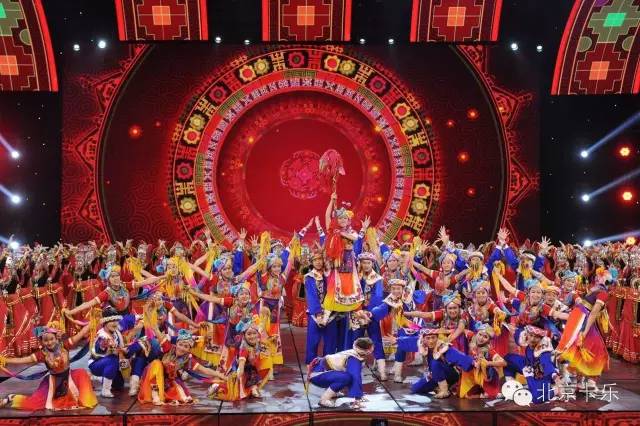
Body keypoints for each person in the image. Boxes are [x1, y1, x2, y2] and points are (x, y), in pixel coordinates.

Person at [0, 322, 96, 410]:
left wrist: (94, 320)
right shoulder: (42, 354)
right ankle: (11, 397)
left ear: (56, 338)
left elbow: (82, 333)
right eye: (46, 340)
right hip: (54, 383)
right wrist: (5, 360)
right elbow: (21, 360)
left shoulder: (65, 345)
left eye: (51, 339)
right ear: (42, 342)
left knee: (82, 373)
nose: (49, 343)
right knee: (34, 404)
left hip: (70, 377)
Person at [138, 315, 226, 405]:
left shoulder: (187, 359)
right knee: (156, 364)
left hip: (169, 382)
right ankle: (155, 394)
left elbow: (204, 370)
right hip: (154, 377)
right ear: (176, 343)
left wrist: (220, 375)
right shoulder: (168, 348)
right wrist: (150, 316)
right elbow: (156, 330)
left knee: (181, 397)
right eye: (180, 345)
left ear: (189, 349)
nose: (182, 348)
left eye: (186, 346)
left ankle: (162, 394)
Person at [307, 337, 374, 409]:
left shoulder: (355, 352)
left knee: (346, 376)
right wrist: (357, 398)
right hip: (317, 376)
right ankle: (324, 400)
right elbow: (355, 377)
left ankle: (333, 393)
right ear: (368, 350)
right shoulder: (354, 358)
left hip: (320, 372)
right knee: (346, 378)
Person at [504, 325, 562, 403]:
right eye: (531, 335)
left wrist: (555, 377)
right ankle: (511, 387)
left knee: (536, 398)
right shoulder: (524, 336)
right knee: (508, 359)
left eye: (536, 337)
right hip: (527, 364)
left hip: (541, 372)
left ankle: (555, 391)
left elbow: (546, 363)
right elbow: (517, 333)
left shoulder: (544, 349)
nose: (532, 339)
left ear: (541, 338)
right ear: (527, 334)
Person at [410, 328, 474, 398]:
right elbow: (407, 340)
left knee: (435, 363)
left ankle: (444, 390)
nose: (431, 341)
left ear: (437, 338)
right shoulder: (423, 346)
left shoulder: (443, 347)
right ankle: (438, 387)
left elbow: (458, 356)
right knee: (415, 388)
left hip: (451, 375)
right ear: (423, 339)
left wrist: (471, 362)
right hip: (434, 375)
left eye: (433, 338)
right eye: (428, 338)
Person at [459, 324, 506, 398]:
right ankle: (482, 392)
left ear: (489, 340)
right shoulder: (472, 337)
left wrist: (488, 363)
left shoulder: (489, 350)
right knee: (466, 395)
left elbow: (504, 363)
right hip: (469, 374)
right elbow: (462, 330)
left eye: (485, 337)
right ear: (476, 333)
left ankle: (489, 390)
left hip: (482, 375)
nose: (481, 338)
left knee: (491, 368)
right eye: (480, 334)